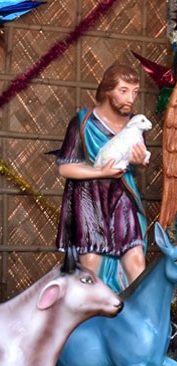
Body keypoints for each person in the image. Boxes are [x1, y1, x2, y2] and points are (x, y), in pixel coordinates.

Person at [55, 64, 149, 290]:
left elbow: (136, 167)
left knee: (135, 259)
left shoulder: (135, 124)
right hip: (89, 198)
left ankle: (135, 310)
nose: (131, 98)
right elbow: (65, 168)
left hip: (121, 196)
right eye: (123, 91)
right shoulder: (83, 122)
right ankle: (88, 310)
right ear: (107, 90)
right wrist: (100, 172)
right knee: (90, 261)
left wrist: (139, 163)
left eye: (135, 92)